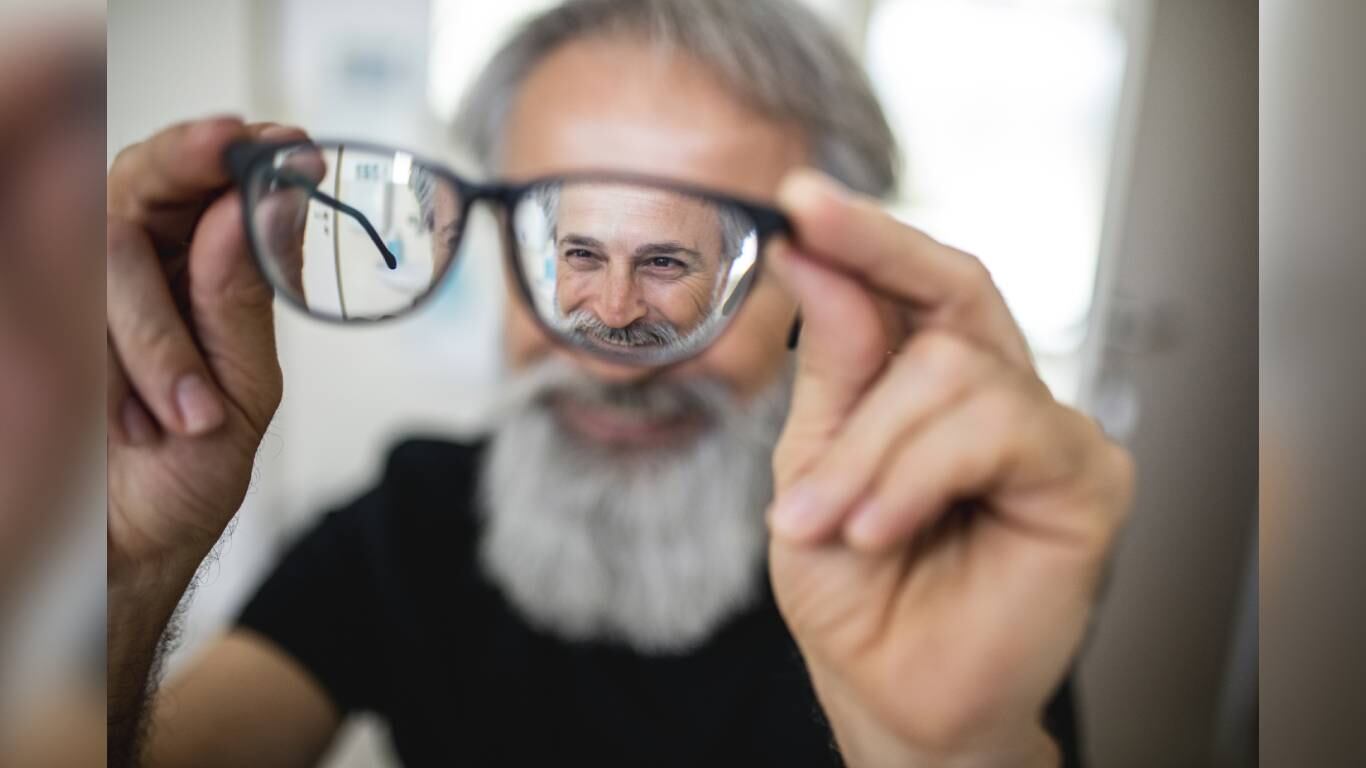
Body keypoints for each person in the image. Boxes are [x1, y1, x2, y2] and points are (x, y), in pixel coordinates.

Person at [106, 1, 1133, 766]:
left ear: (832, 288)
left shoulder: (935, 584)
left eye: (680, 263)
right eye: (573, 253)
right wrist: (116, 573)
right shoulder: (411, 525)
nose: (605, 337)